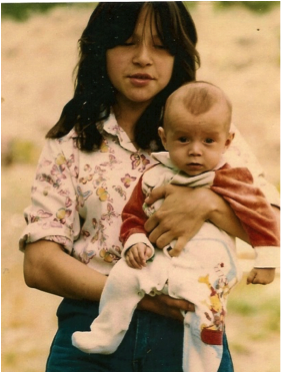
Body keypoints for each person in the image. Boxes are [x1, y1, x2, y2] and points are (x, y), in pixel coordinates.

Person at [19, 3, 281, 373]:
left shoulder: (205, 135)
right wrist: (138, 296)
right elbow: (39, 264)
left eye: (161, 46)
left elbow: (275, 227)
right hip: (92, 334)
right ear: (100, 49)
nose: (143, 58)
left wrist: (208, 204)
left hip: (189, 338)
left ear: (179, 54)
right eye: (126, 43)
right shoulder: (70, 142)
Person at [71, 81, 281, 372]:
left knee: (206, 321)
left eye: (208, 141)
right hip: (155, 264)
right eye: (183, 139)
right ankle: (105, 333)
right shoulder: (153, 175)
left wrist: (267, 261)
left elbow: (261, 216)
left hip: (205, 274)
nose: (195, 151)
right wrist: (135, 242)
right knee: (122, 278)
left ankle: (201, 367)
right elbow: (132, 216)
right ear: (165, 138)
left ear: (227, 142)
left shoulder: (232, 178)